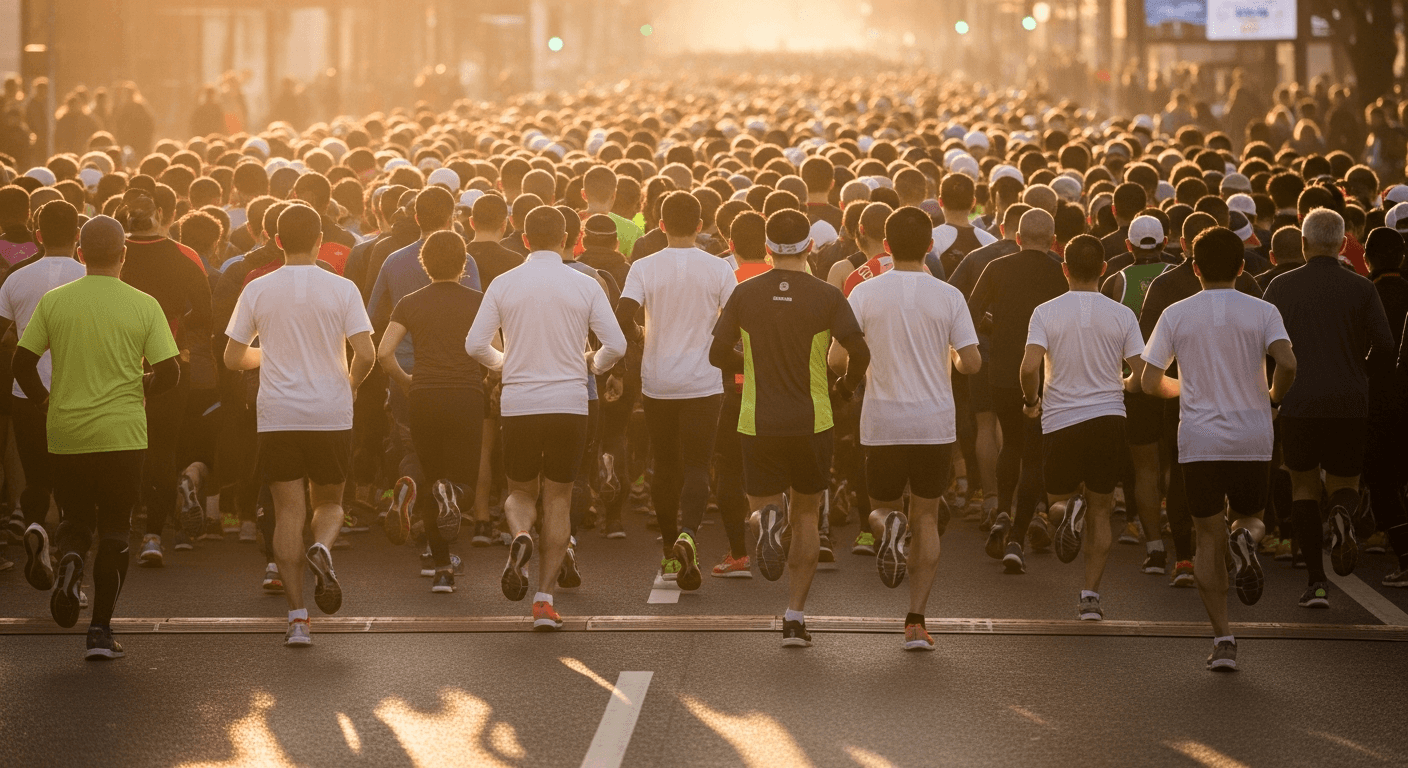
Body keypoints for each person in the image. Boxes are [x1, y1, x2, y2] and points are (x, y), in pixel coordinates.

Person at [13, 215, 181, 660]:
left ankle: (69, 559)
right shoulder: (144, 304)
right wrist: (138, 386)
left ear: (81, 254)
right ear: (124, 255)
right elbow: (170, 372)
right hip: (123, 433)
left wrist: (45, 402)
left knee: (75, 519)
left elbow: (21, 364)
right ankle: (101, 632)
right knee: (115, 530)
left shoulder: (54, 302)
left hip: (67, 430)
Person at [709, 209, 870, 646]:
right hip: (812, 419)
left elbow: (717, 354)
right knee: (806, 515)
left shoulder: (745, 293)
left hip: (758, 417)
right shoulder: (827, 296)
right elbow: (860, 352)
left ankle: (765, 521)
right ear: (810, 247)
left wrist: (752, 362)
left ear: (766, 247)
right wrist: (844, 388)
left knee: (763, 504)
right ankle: (795, 616)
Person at [1141, 226, 1297, 671]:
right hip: (1252, 435)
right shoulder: (1263, 310)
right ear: (1243, 267)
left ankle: (1224, 639)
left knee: (1207, 538)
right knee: (1250, 518)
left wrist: (1183, 388)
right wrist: (1274, 398)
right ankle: (1245, 539)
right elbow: (1287, 362)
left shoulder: (1176, 312)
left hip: (1200, 439)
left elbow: (1150, 382)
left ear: (1194, 267)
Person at [464, 206, 626, 631]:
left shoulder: (503, 283)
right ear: (570, 239)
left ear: (523, 239)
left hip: (519, 401)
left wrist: (505, 364)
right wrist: (591, 363)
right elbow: (617, 345)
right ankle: (544, 600)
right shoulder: (585, 283)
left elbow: (476, 345)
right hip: (570, 401)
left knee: (519, 490)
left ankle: (520, 534)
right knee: (558, 496)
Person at [224, 204, 377, 647]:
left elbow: (233, 358)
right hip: (330, 411)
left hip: (278, 415)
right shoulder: (343, 287)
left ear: (275, 240)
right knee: (329, 503)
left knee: (287, 511)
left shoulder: (257, 288)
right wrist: (350, 384)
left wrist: (267, 356)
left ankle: (296, 618)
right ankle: (324, 547)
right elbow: (365, 353)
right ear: (319, 240)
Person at [844, 206, 980, 650]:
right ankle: (916, 622)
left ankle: (889, 528)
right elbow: (971, 361)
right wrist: (953, 358)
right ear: (930, 246)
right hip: (933, 423)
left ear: (885, 246)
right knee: (927, 516)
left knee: (881, 507)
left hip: (882, 420)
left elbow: (836, 359)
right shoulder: (948, 296)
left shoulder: (863, 294)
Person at [1263, 209, 1394, 604]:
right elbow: (1386, 346)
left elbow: (1264, 349)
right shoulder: (1361, 288)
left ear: (1303, 244)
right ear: (1342, 245)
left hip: (1298, 402)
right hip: (1349, 400)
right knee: (1345, 484)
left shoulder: (1280, 288)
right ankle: (1341, 514)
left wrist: (1272, 392)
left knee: (1303, 487)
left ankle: (1316, 582)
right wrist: (1360, 369)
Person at [1021, 234, 1145, 620]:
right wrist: (1121, 383)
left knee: (1057, 499)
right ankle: (1090, 596)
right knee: (1102, 509)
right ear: (1104, 270)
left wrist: (1031, 401)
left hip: (1061, 419)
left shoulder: (1045, 311)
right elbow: (1140, 373)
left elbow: (1028, 369)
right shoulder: (1122, 314)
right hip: (1109, 418)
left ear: (1065, 269)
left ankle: (1065, 512)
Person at [616, 191, 735, 590]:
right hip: (704, 379)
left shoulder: (644, 266)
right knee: (699, 465)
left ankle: (669, 550)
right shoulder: (718, 269)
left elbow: (623, 315)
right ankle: (690, 534)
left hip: (659, 380)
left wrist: (638, 336)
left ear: (660, 224)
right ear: (701, 226)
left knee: (666, 465)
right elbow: (735, 322)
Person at [377, 230, 484, 593]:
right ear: (464, 263)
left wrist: (407, 380)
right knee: (461, 483)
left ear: (424, 263)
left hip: (423, 394)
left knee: (429, 475)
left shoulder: (410, 301)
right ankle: (451, 493)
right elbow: (495, 352)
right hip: (467, 395)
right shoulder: (479, 301)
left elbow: (383, 353)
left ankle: (441, 570)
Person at [115, 187, 213, 565]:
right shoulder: (185, 256)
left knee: (117, 447)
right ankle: (154, 535)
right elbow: (204, 317)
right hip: (169, 362)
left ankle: (115, 527)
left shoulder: (110, 250)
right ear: (160, 213)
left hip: (115, 363)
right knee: (162, 449)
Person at [968, 208, 1068, 573]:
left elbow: (970, 310)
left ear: (1018, 237)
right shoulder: (1061, 270)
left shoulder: (997, 267)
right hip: (1047, 373)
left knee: (1010, 442)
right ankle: (1018, 536)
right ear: (1053, 240)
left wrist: (993, 329)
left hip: (1003, 370)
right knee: (1035, 452)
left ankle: (1002, 512)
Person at [0, 199, 87, 585]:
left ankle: (36, 526)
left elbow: (3, 332)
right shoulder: (90, 276)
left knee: (37, 477)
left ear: (37, 235)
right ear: (77, 235)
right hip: (79, 394)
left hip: (27, 393)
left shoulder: (16, 277)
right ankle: (71, 562)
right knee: (75, 481)